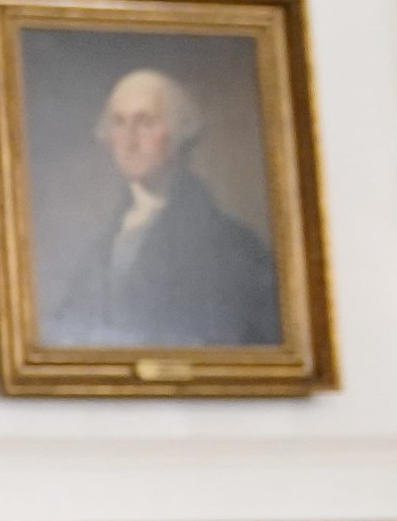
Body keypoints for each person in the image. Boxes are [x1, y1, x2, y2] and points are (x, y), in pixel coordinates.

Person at [45, 68, 281, 347]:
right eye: (119, 123)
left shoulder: (231, 245)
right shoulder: (104, 245)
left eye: (145, 122)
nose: (129, 141)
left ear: (180, 131)